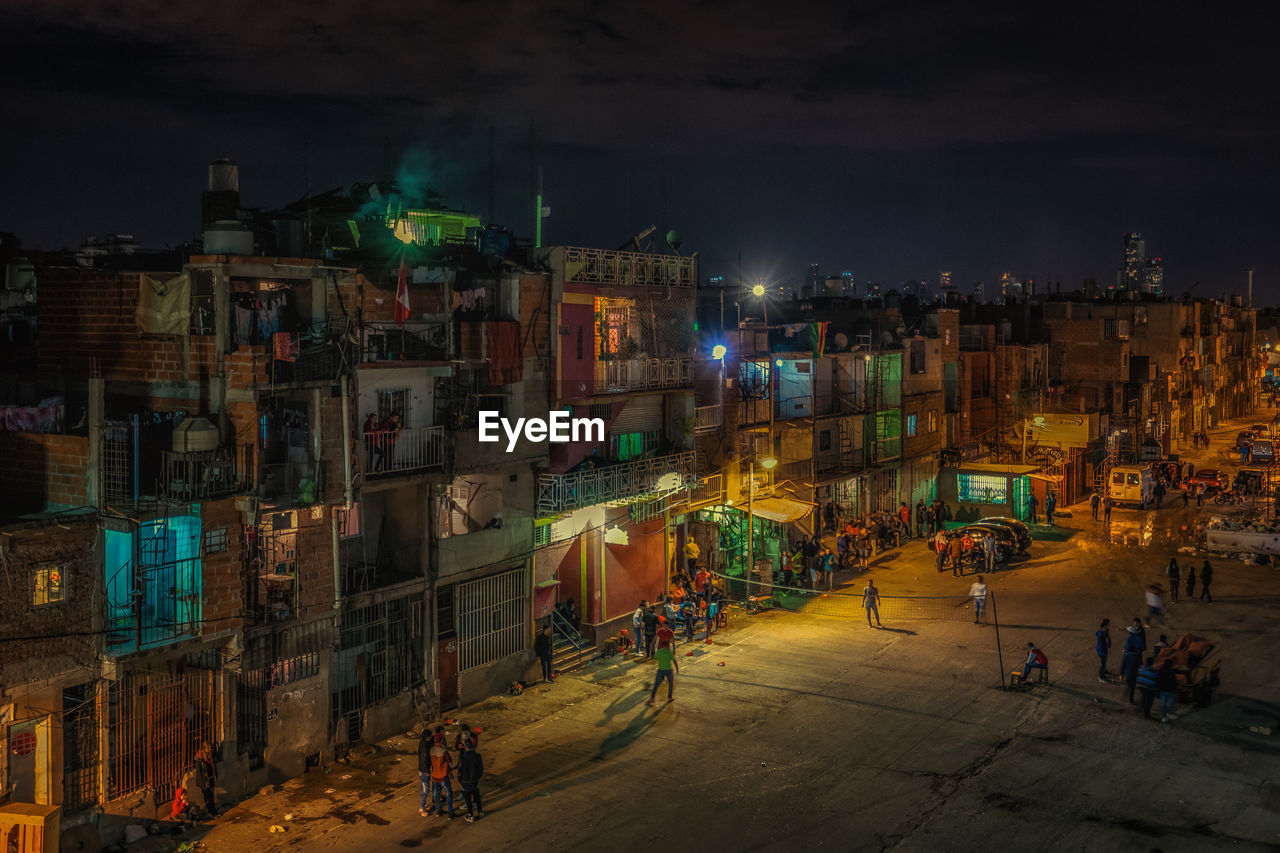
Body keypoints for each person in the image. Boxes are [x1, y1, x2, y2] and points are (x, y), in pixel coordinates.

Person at [428, 728, 455, 819]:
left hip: (435, 776)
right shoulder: (443, 751)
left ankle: (439, 811)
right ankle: (450, 813)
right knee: (449, 794)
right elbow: (450, 761)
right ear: (441, 740)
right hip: (443, 776)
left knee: (436, 794)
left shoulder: (431, 750)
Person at [457, 734, 485, 822]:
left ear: (465, 747)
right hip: (474, 780)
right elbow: (481, 769)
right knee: (477, 797)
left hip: (465, 781)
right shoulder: (478, 756)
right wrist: (477, 777)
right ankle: (480, 812)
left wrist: (459, 780)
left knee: (468, 799)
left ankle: (470, 815)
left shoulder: (463, 758)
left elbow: (460, 770)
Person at [645, 635, 680, 705]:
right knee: (670, 684)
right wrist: (677, 669)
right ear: (667, 645)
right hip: (669, 670)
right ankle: (669, 697)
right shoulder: (669, 652)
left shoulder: (659, 652)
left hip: (661, 670)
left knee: (656, 684)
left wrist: (651, 650)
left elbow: (654, 659)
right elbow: (674, 661)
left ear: (661, 645)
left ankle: (652, 698)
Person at [1121, 621, 1146, 704]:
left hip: (1129, 668)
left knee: (1129, 681)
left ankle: (1128, 688)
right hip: (1136, 663)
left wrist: (1122, 674)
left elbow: (1124, 663)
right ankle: (1131, 698)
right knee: (1133, 683)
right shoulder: (1138, 639)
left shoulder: (1129, 640)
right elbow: (1142, 647)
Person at [194, 740, 217, 817]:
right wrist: (203, 783)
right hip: (204, 781)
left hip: (210, 778)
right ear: (204, 748)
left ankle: (214, 810)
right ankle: (210, 811)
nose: (210, 749)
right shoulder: (200, 759)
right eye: (208, 748)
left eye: (210, 748)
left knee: (211, 796)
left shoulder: (211, 755)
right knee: (207, 797)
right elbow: (199, 772)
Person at [417, 729, 436, 817]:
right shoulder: (424, 747)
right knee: (426, 790)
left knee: (423, 788)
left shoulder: (422, 743)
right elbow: (424, 759)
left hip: (422, 770)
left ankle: (423, 804)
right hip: (424, 771)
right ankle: (421, 808)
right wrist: (427, 771)